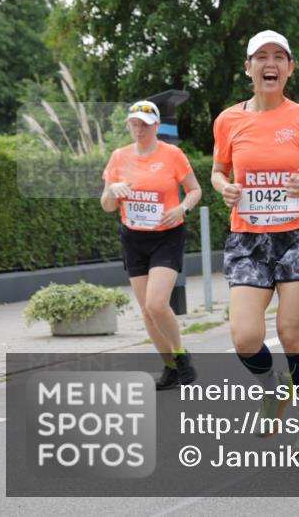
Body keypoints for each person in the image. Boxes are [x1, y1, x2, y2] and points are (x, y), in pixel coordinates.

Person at [211, 30, 299, 453]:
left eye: (279, 57)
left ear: (289, 68)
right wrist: (223, 187)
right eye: (261, 57)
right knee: (244, 336)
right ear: (248, 68)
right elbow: (218, 171)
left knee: (292, 334)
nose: (271, 63)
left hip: (295, 236)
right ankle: (273, 386)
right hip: (248, 238)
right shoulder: (228, 120)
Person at [101, 100, 202, 390]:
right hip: (134, 238)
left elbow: (195, 190)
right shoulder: (119, 157)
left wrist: (182, 208)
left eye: (145, 124)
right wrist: (113, 192)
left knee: (157, 304)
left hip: (167, 234)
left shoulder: (172, 155)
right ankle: (170, 368)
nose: (139, 129)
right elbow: (107, 205)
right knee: (146, 311)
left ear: (156, 126)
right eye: (134, 123)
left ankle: (182, 358)